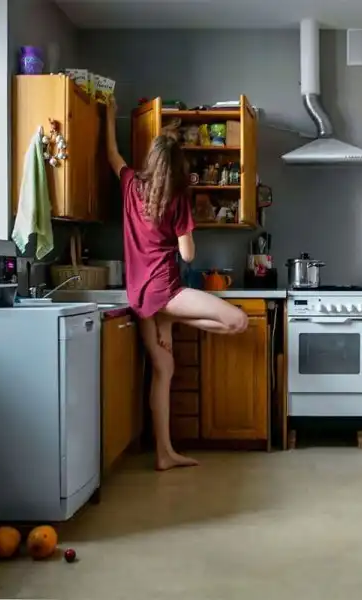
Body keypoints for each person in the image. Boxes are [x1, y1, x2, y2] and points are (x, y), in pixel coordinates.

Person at [105, 98, 248, 471]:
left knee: (163, 371)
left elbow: (113, 154)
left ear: (151, 160)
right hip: (165, 293)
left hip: (139, 297)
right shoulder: (178, 197)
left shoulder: (131, 184)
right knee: (238, 321)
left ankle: (164, 453)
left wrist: (109, 115)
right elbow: (187, 255)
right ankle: (173, 318)